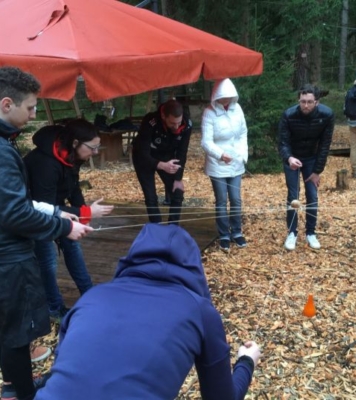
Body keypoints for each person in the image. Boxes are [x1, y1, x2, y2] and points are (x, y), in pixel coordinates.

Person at [34, 223, 261, 400]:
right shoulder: (200, 310)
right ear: (194, 266)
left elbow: (64, 368)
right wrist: (246, 362)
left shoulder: (91, 297)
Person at [0, 67, 92, 400]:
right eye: (31, 108)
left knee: (9, 329)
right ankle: (22, 393)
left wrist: (54, 211)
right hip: (8, 258)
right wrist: (64, 227)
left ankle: (15, 385)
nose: (36, 114)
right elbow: (14, 213)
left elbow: (12, 201)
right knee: (16, 334)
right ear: (7, 104)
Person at [23, 119, 114, 321]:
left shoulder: (71, 154)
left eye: (98, 147)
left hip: (57, 208)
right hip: (39, 213)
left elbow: (73, 186)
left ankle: (89, 295)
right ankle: (54, 308)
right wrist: (86, 212)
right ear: (75, 143)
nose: (96, 152)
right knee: (47, 261)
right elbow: (44, 206)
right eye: (93, 147)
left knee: (73, 247)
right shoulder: (45, 163)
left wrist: (83, 213)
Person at [278, 84, 334, 251]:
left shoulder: (327, 115)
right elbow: (282, 142)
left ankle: (310, 232)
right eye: (303, 101)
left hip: (312, 158)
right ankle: (292, 233)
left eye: (310, 102)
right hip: (292, 157)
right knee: (293, 196)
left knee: (312, 196)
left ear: (316, 102)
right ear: (299, 100)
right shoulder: (288, 115)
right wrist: (289, 158)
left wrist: (317, 171)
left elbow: (325, 145)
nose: (306, 105)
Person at [201, 79, 248, 253]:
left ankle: (236, 232)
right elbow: (206, 142)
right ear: (217, 97)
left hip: (236, 161)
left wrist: (243, 154)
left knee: (235, 199)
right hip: (217, 164)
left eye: (230, 96)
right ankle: (224, 235)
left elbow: (243, 133)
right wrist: (220, 154)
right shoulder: (209, 113)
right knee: (221, 201)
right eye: (224, 97)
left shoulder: (238, 110)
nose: (227, 100)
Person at [132, 99, 192, 224]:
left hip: (166, 155)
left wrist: (178, 178)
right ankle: (157, 228)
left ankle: (173, 227)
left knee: (177, 193)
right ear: (164, 116)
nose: (176, 127)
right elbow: (142, 152)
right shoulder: (150, 121)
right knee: (151, 197)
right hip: (144, 157)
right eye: (172, 123)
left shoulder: (186, 124)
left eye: (178, 122)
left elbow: (182, 152)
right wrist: (160, 165)